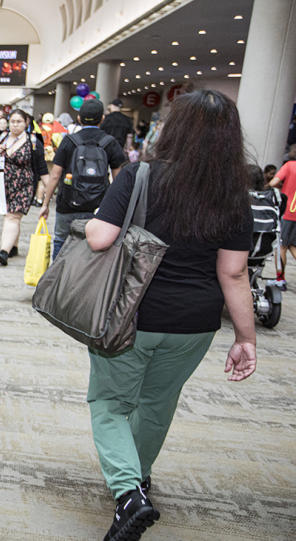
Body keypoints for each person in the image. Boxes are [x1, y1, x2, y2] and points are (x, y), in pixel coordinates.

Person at [83, 90, 256, 541]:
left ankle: (128, 495)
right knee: (157, 405)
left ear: (173, 129)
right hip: (194, 325)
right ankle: (138, 476)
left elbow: (100, 238)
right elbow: (233, 274)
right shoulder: (235, 195)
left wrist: (90, 221)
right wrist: (246, 338)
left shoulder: (141, 175)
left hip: (130, 316)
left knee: (110, 403)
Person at [40, 99, 127, 258]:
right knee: (92, 248)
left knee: (61, 241)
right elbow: (118, 181)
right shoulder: (110, 143)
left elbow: (55, 175)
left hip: (67, 204)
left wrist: (45, 203)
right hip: (98, 207)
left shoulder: (69, 141)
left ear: (79, 118)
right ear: (102, 119)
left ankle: (58, 279)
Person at [0, 109, 49, 265]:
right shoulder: (2, 137)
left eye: (19, 121)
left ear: (26, 123)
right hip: (3, 185)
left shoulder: (33, 142)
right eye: (12, 121)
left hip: (24, 186)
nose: (15, 125)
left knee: (12, 216)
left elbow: (42, 168)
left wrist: (50, 189)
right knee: (11, 217)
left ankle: (3, 251)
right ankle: (13, 246)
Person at [269, 150, 296, 290]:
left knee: (281, 246)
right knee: (292, 245)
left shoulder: (290, 166)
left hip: (287, 212)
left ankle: (280, 279)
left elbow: (274, 182)